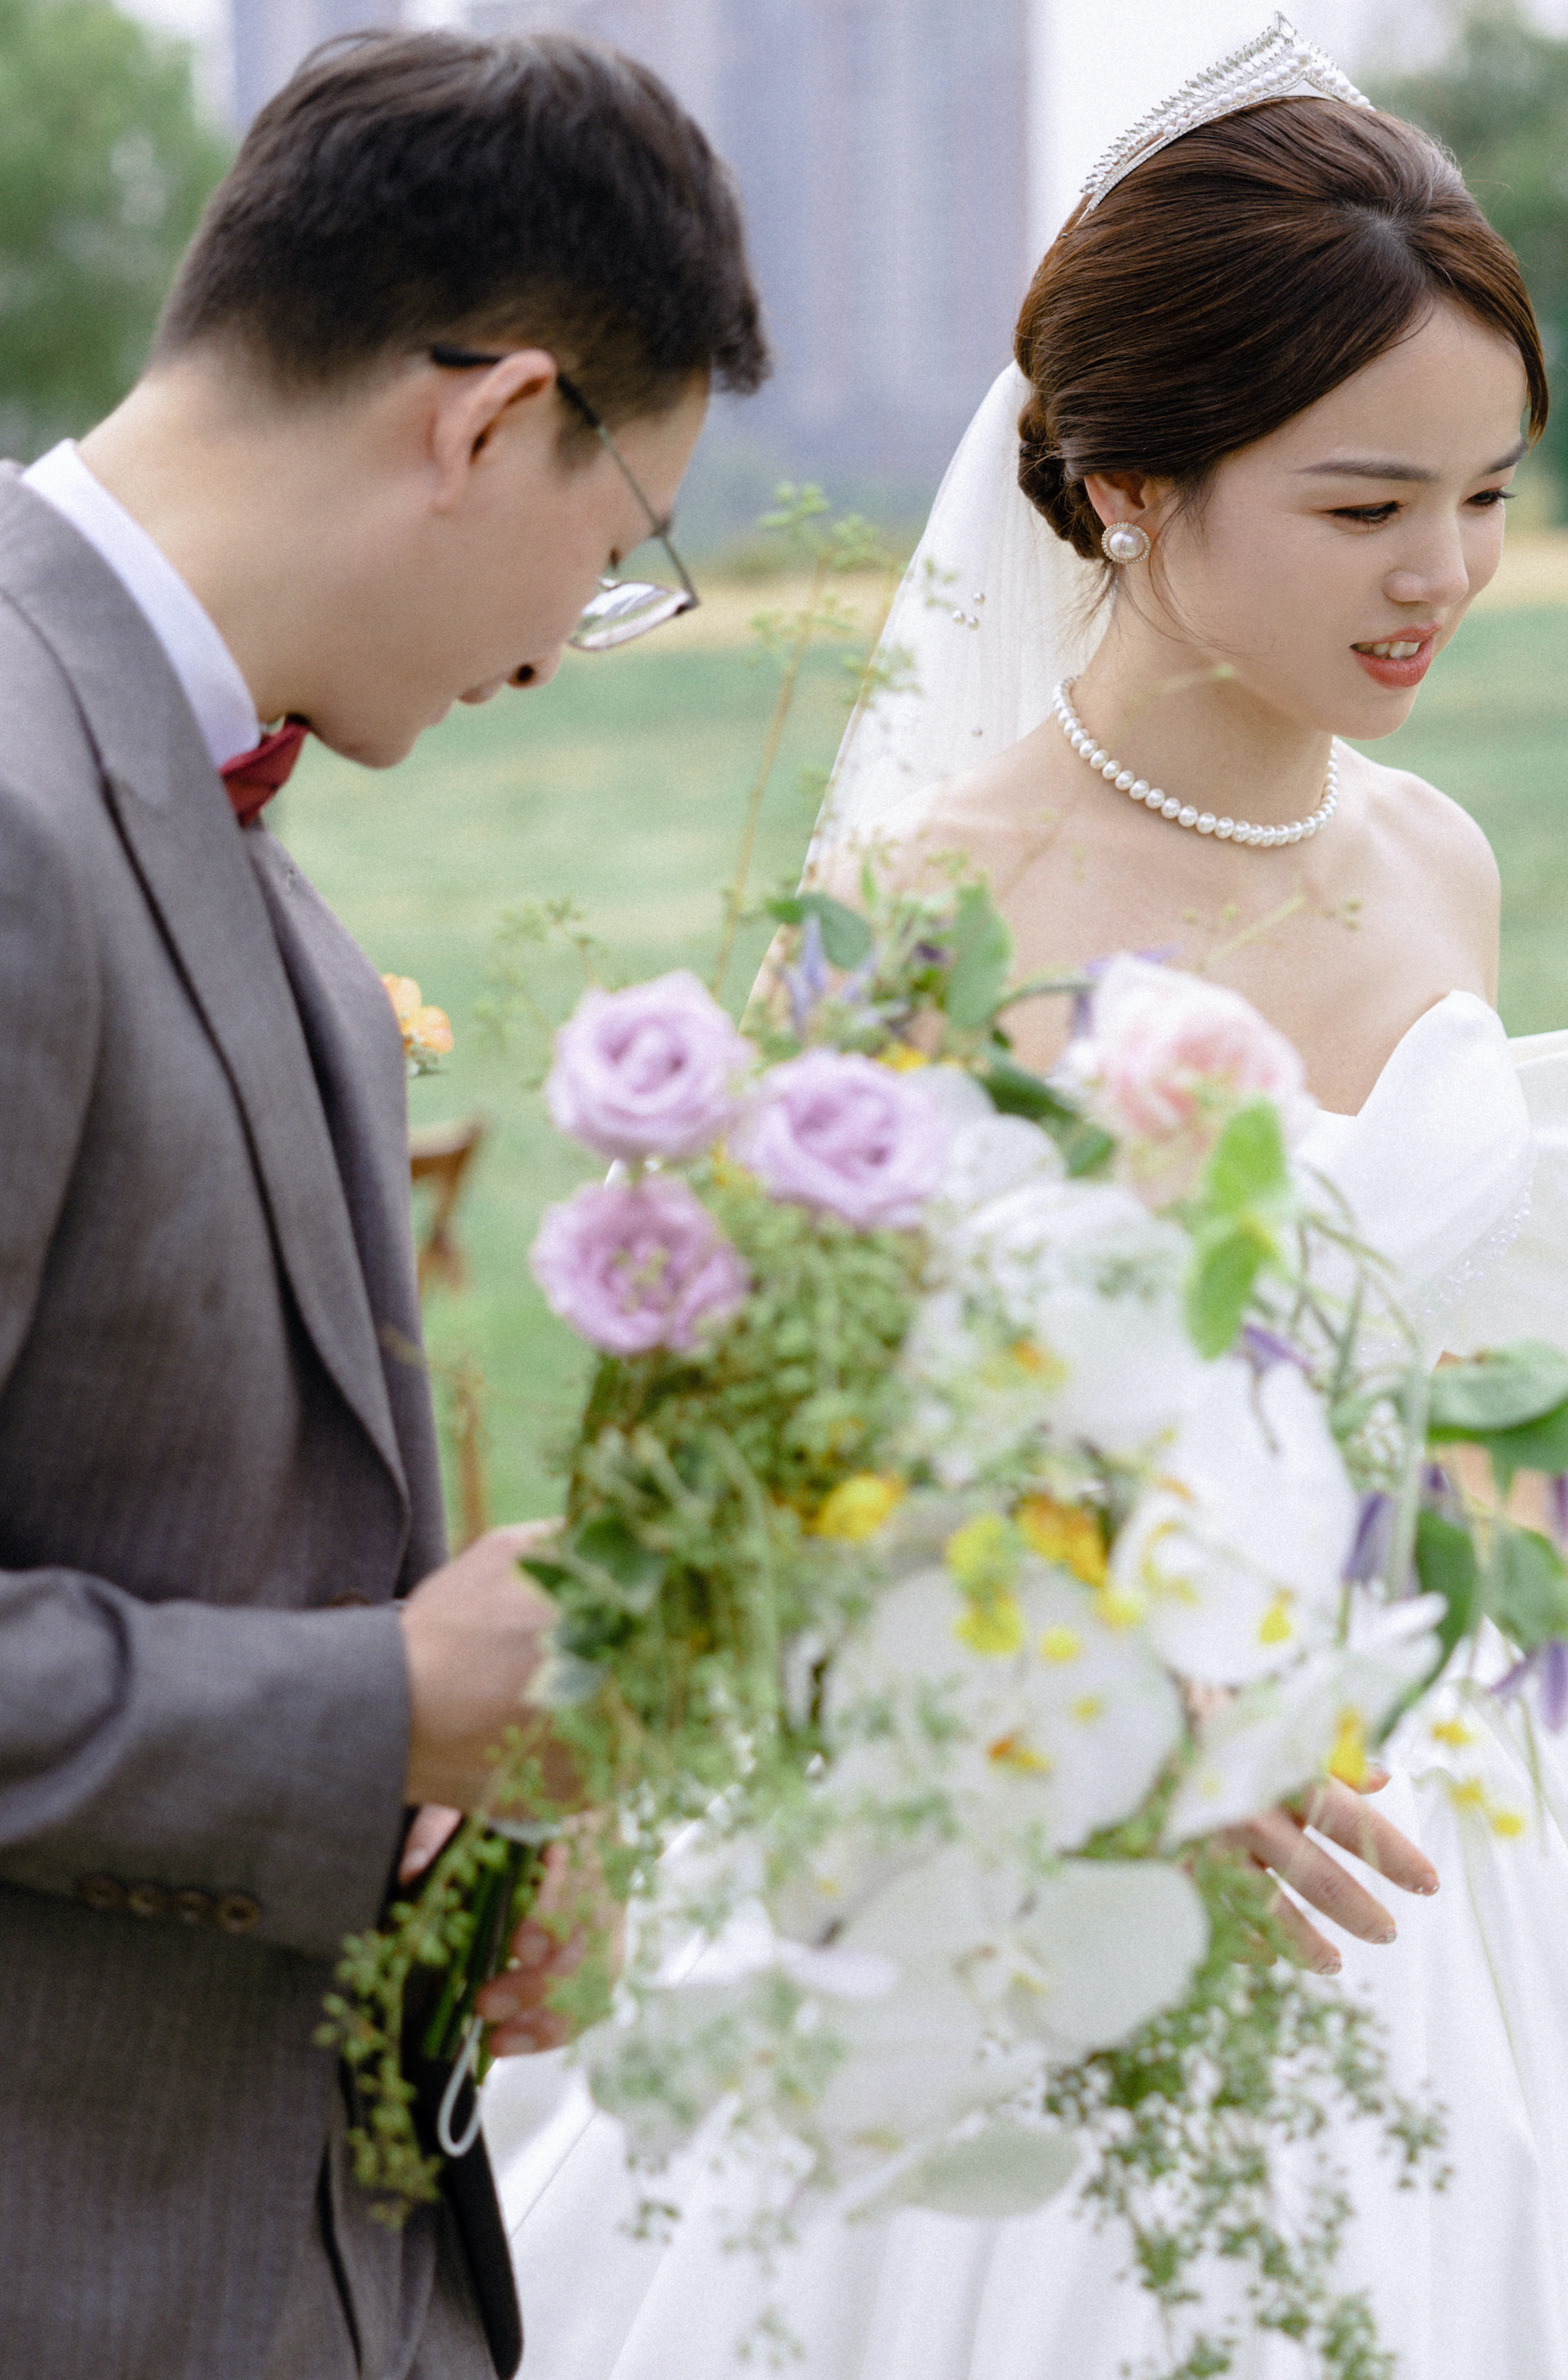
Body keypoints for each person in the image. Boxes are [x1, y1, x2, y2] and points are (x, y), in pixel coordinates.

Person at [482, 25, 1568, 2380]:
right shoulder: (927, 908)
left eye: (1489, 492)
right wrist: (1120, 1745)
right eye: (1365, 504)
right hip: (1047, 1838)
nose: (1443, 573)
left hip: (1439, 1817)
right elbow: (772, 1473)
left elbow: (1431, 1359)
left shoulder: (1437, 857)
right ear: (1122, 482)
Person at [0, 25, 766, 2380]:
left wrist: (425, 1820)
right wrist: (384, 1709)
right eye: (617, 557)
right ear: (490, 419)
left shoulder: (201, 802)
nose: (561, 647)